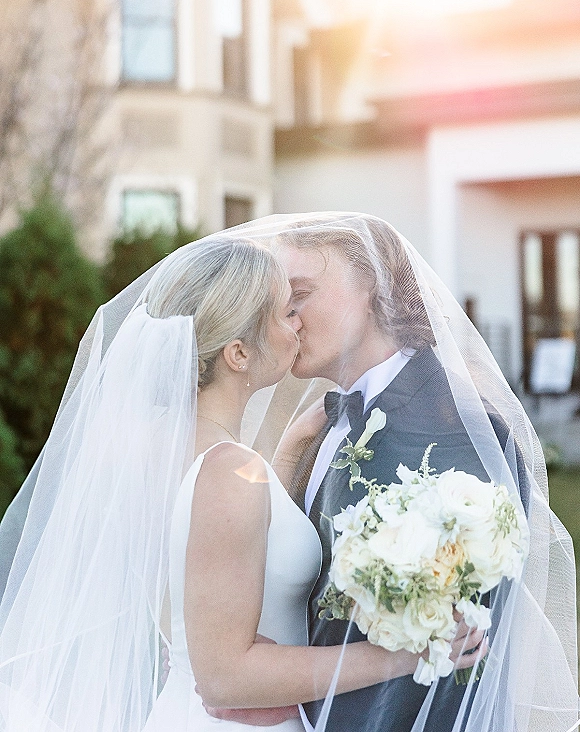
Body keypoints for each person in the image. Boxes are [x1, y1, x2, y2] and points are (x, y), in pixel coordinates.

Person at [0, 232, 482, 732]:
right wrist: (404, 655)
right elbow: (226, 679)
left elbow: (215, 560)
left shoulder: (158, 446)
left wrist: (287, 456)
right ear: (238, 354)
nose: (297, 324)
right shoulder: (230, 472)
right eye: (285, 311)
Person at [201, 214, 578, 732]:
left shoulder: (454, 431)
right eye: (278, 302)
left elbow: (458, 649)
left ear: (372, 286)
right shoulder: (320, 428)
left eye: (300, 294)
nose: (286, 317)